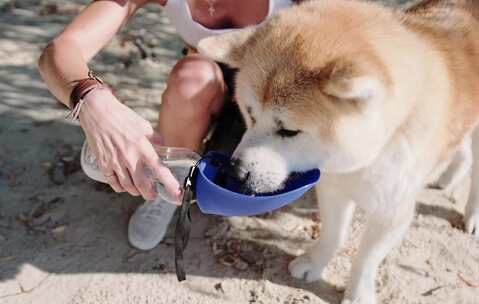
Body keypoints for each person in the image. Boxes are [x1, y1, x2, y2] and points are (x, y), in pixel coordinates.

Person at [38, 0, 295, 250]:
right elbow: (61, 49)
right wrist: (93, 100)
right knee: (192, 79)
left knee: (242, 187)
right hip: (208, 86)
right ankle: (171, 185)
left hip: (275, 100)